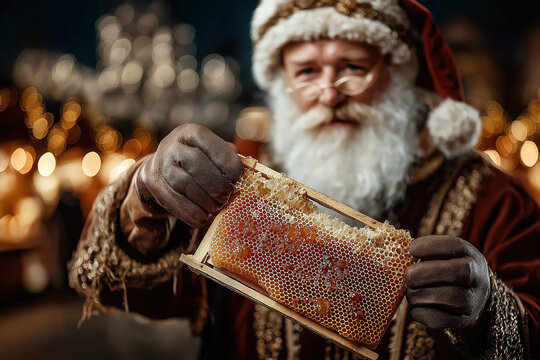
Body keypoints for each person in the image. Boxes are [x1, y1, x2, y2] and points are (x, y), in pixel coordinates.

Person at [68, 0, 540, 359]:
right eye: (307, 71)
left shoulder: (494, 201)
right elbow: (120, 287)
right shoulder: (238, 193)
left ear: (400, 79)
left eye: (353, 67)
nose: (328, 93)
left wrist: (488, 314)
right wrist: (145, 196)